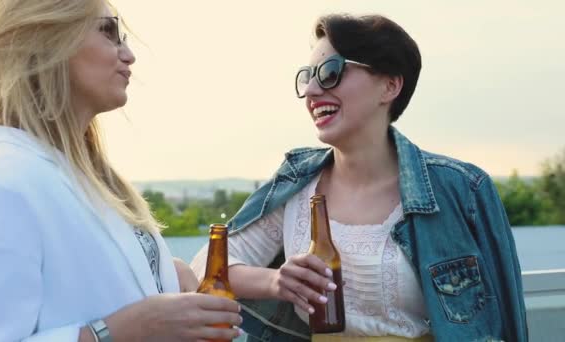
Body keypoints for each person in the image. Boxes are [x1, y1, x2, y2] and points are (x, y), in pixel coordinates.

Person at [191, 14, 527, 342]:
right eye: (307, 76)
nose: (311, 89)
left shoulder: (462, 190)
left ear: (390, 85)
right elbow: (205, 267)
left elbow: (508, 319)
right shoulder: (295, 185)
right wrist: (277, 282)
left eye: (330, 72)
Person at [0, 0, 242, 341]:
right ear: (45, 40)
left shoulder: (93, 183)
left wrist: (164, 277)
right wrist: (113, 333)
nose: (129, 55)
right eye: (109, 32)